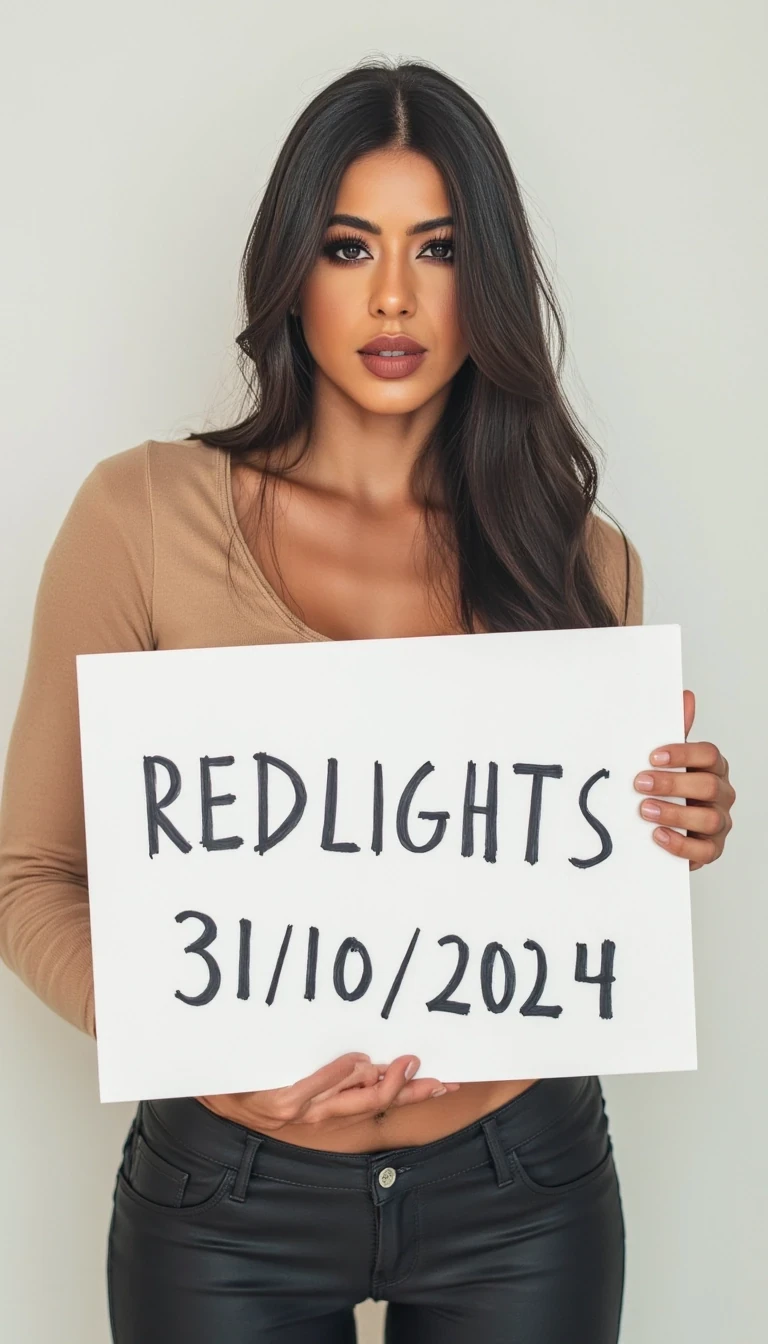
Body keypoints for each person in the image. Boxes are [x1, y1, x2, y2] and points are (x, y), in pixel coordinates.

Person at [0, 57, 736, 1344]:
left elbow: (564, 899)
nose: (393, 295)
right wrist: (190, 1031)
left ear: (487, 278)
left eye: (438, 247)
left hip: (524, 1188)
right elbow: (28, 873)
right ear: (293, 269)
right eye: (350, 246)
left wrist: (675, 826)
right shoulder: (142, 519)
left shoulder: (579, 554)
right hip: (228, 1197)